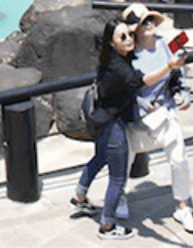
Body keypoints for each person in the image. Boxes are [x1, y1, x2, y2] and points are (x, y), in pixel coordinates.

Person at [121, 4, 193, 234]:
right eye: (144, 22)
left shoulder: (168, 44)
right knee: (124, 161)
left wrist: (184, 93)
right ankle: (119, 197)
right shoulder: (127, 55)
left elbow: (179, 74)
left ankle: (183, 207)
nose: (149, 25)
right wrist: (144, 104)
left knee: (179, 159)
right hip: (137, 117)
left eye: (151, 20)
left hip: (166, 112)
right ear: (134, 29)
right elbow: (126, 87)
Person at [70, 20, 143, 239]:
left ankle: (80, 197)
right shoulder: (119, 67)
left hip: (101, 122)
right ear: (112, 43)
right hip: (114, 126)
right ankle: (108, 226)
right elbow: (137, 81)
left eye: (130, 34)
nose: (129, 39)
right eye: (123, 37)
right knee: (118, 178)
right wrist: (168, 68)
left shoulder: (109, 60)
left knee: (100, 157)